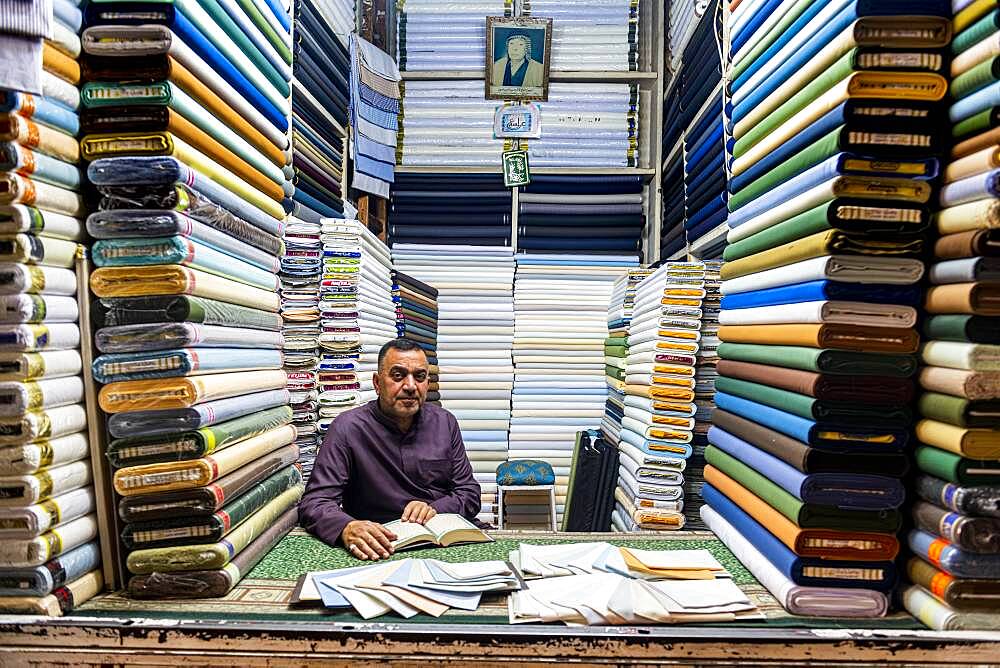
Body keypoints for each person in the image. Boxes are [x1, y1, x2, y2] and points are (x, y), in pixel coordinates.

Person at [299, 338, 482, 561]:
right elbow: (315, 502)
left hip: (443, 539)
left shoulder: (444, 422)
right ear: (377, 383)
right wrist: (347, 527)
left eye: (420, 377)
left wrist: (434, 508)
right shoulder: (348, 429)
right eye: (398, 376)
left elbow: (469, 493)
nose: (410, 386)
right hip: (381, 545)